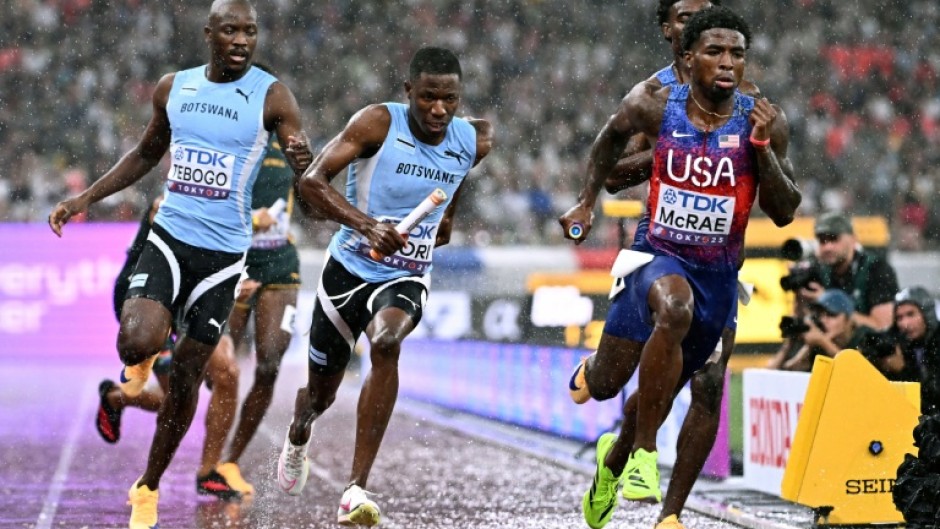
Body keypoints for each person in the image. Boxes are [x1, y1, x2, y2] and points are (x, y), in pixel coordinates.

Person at [47, 1, 312, 527]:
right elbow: (145, 154)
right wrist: (85, 200)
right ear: (209, 33)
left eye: (250, 32)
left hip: (223, 257)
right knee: (135, 340)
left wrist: (311, 171)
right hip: (171, 239)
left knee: (194, 376)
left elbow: (308, 173)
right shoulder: (175, 88)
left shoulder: (273, 96)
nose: (241, 40)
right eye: (231, 30)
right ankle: (135, 372)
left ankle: (149, 486)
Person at [559, 7, 801, 529]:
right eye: (715, 51)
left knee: (706, 384)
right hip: (657, 249)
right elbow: (607, 150)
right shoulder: (652, 100)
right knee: (614, 375)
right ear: (684, 50)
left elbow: (785, 211)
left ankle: (656, 499)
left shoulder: (762, 115)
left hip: (718, 270)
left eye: (737, 53)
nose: (728, 62)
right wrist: (585, 202)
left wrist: (760, 151)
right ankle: (633, 434)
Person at [276, 46, 493, 527]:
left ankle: (355, 489)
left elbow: (456, 176)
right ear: (408, 92)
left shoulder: (474, 139)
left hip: (407, 274)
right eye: (429, 98)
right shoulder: (376, 123)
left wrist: (448, 217)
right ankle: (299, 430)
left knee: (387, 342)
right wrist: (368, 225)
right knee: (320, 396)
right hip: (348, 270)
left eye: (450, 99)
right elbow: (312, 184)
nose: (439, 110)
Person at [95, 196, 246, 501]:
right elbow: (162, 210)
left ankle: (208, 472)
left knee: (227, 372)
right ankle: (116, 400)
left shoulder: (233, 196)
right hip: (151, 298)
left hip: (194, 294)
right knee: (172, 400)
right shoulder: (179, 193)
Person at [215, 133, 302, 496]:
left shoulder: (291, 148)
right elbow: (207, 205)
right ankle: (123, 397)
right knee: (214, 370)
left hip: (281, 265)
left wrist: (310, 170)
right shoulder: (225, 144)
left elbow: (313, 205)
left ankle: (229, 461)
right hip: (232, 262)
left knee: (268, 367)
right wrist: (250, 220)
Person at [798, 211, 899, 330]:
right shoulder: (817, 271)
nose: (827, 247)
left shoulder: (876, 270)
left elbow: (882, 327)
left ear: (853, 239)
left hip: (867, 346)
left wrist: (828, 301)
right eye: (822, 241)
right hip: (830, 346)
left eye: (834, 239)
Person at [866, 286, 940, 414]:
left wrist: (903, 371)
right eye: (899, 318)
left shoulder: (936, 344)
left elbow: (933, 399)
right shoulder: (903, 345)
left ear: (927, 313)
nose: (905, 323)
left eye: (911, 314)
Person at [769, 289, 875, 371]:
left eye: (831, 315)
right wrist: (789, 345)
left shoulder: (865, 337)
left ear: (848, 319)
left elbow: (859, 374)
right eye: (820, 315)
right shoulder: (817, 340)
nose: (824, 320)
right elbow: (785, 373)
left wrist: (823, 342)